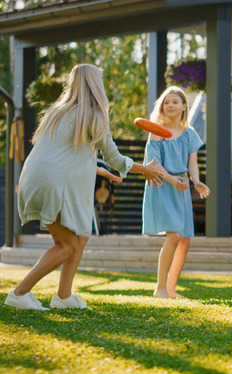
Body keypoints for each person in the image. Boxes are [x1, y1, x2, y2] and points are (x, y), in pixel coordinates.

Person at [5, 64, 164, 311]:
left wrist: (96, 169)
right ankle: (19, 293)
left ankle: (64, 296)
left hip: (34, 178)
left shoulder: (57, 112)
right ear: (95, 86)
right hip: (53, 183)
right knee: (67, 245)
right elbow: (116, 159)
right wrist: (146, 169)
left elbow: (64, 154)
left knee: (81, 236)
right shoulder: (94, 115)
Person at [142, 86, 210, 299]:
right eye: (166, 102)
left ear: (183, 106)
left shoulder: (190, 134)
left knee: (184, 240)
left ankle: (170, 289)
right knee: (174, 236)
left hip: (181, 186)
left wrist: (196, 181)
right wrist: (172, 179)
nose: (169, 105)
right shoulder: (156, 131)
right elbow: (153, 164)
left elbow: (192, 163)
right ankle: (160, 289)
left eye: (174, 102)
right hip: (162, 184)